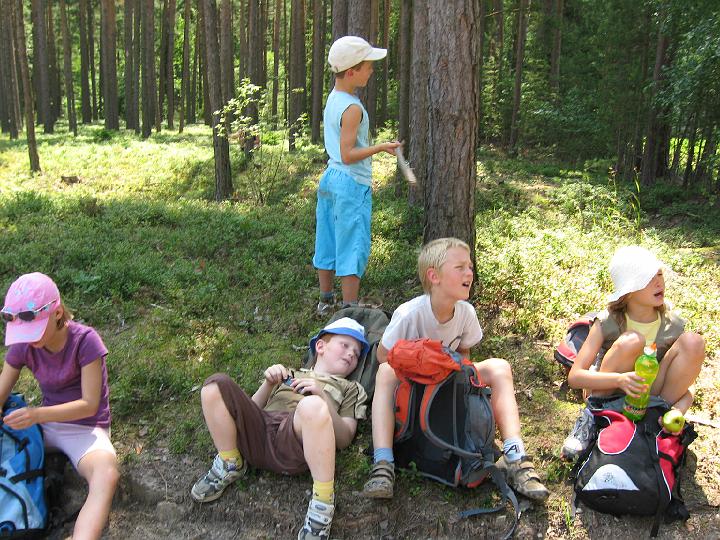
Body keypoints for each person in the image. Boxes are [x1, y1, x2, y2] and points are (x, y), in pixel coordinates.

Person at [362, 238, 549, 501]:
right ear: (434, 276)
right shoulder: (409, 314)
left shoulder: (465, 313)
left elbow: (465, 358)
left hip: (447, 383)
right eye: (460, 267)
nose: (469, 273)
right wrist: (419, 358)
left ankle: (515, 458)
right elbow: (383, 356)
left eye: (470, 267)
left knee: (498, 367)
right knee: (385, 373)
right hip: (413, 384)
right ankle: (382, 465)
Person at [191, 317, 370, 540]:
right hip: (260, 433)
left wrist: (322, 397)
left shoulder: (351, 388)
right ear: (321, 346)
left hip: (296, 440)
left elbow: (344, 438)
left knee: (311, 406)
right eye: (345, 345)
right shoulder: (289, 374)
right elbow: (247, 413)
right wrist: (268, 384)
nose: (352, 354)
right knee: (214, 385)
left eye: (357, 352)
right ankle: (230, 462)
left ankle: (323, 503)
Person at [0, 273, 119, 540]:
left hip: (85, 429)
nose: (29, 339)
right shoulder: (24, 345)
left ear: (57, 313)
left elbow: (89, 405)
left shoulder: (85, 341)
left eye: (34, 330)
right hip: (43, 425)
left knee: (106, 474)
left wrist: (36, 414)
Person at [562, 245, 705, 459]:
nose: (659, 282)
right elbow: (575, 377)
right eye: (648, 278)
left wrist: (679, 409)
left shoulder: (672, 325)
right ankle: (591, 420)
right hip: (608, 392)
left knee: (694, 342)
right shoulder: (608, 322)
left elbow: (688, 384)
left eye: (659, 274)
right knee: (632, 340)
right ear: (628, 291)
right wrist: (619, 380)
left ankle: (657, 420)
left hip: (649, 397)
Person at [313, 35, 402, 316]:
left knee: (327, 237)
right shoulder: (352, 108)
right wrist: (381, 147)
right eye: (368, 66)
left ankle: (325, 301)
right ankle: (349, 310)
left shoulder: (335, 97)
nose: (372, 70)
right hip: (350, 182)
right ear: (351, 71)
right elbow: (349, 153)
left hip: (330, 178)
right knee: (352, 243)